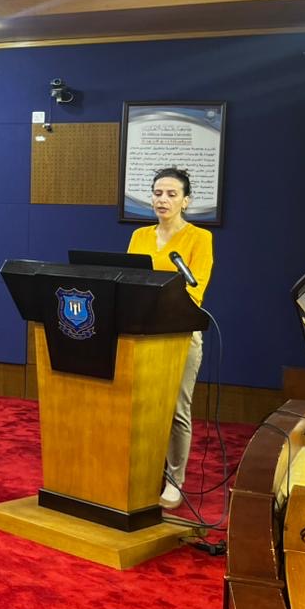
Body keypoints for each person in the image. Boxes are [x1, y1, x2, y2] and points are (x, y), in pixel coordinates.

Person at [126, 166, 214, 510]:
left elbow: (196, 292)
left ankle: (175, 479)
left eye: (171, 194)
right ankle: (147, 472)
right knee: (145, 406)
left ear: (186, 201)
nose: (162, 199)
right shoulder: (140, 236)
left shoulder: (199, 238)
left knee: (177, 408)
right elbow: (129, 281)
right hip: (144, 334)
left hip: (180, 335)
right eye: (158, 193)